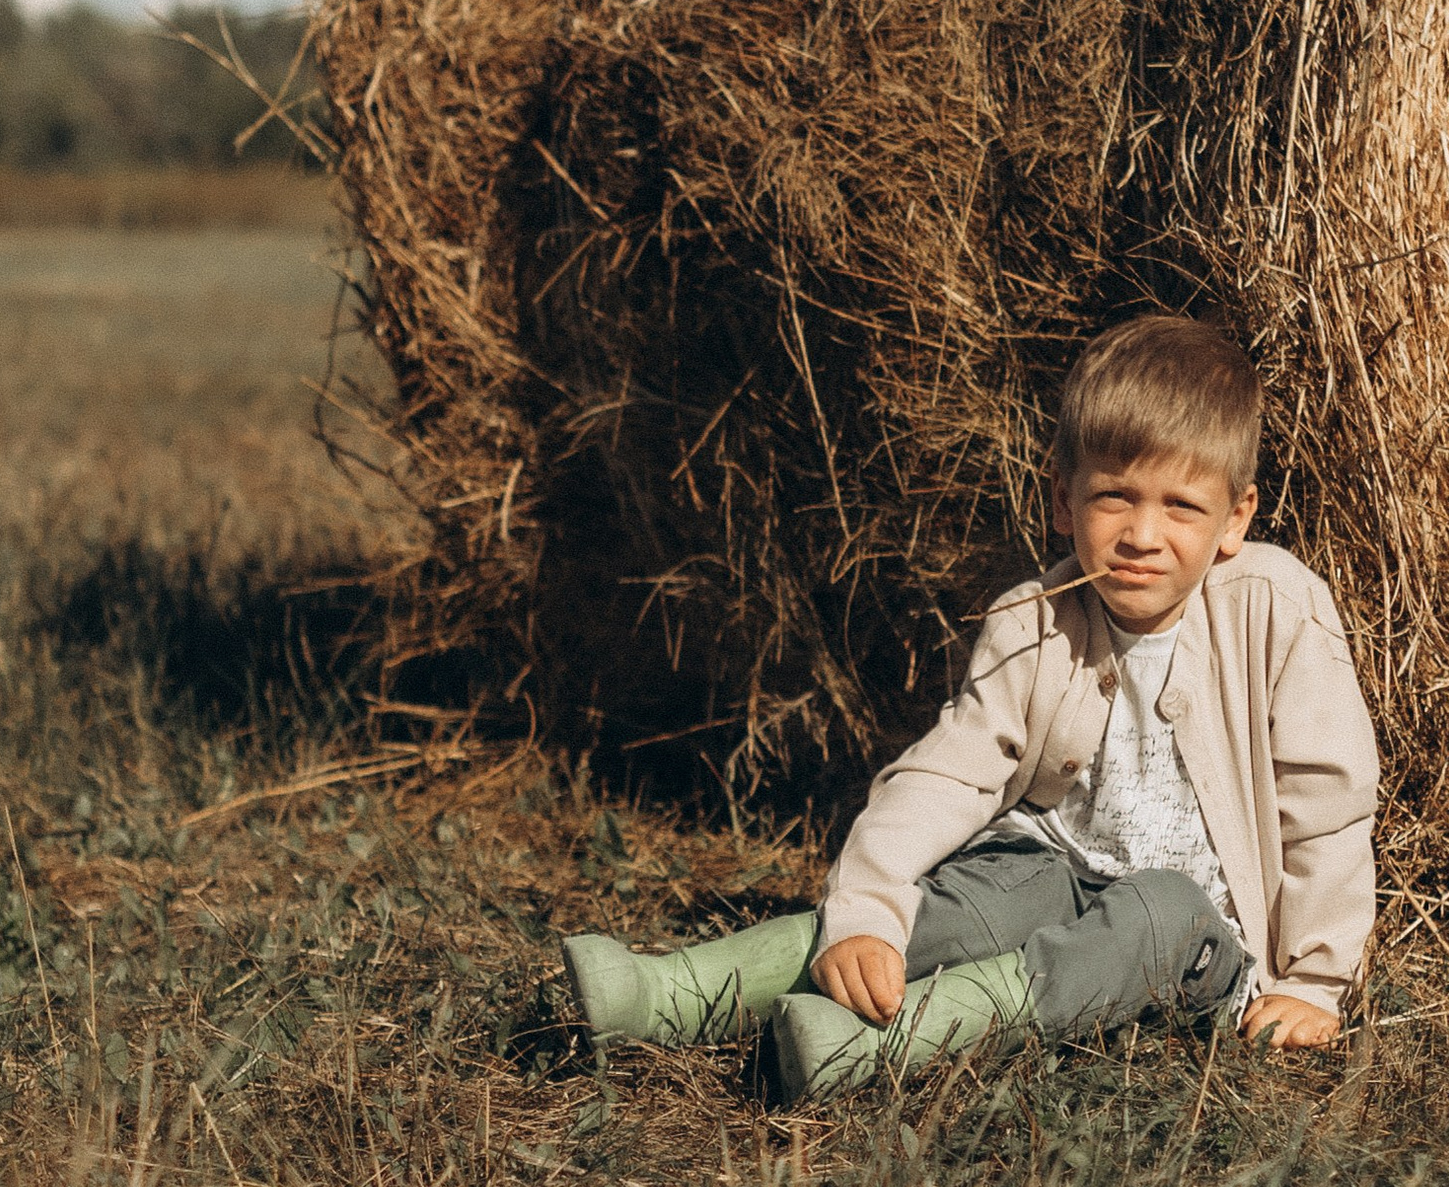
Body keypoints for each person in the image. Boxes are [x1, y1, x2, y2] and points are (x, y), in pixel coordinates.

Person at [562, 312, 1380, 1104]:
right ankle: (667, 989)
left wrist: (1313, 980)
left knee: (1155, 911)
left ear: (1235, 518)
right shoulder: (1034, 616)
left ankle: (884, 1041)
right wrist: (867, 910)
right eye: (1113, 498)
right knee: (968, 906)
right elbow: (949, 773)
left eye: (1182, 507)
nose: (1141, 533)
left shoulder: (1277, 610)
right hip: (1056, 872)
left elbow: (1325, 810)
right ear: (1063, 501)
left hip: (1202, 937)